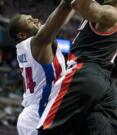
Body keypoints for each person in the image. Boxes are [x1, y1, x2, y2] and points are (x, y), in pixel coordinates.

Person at [38, 0, 117, 135]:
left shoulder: (111, 12)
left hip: (84, 74)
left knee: (50, 130)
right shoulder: (116, 17)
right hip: (106, 86)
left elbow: (81, 5)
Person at [8, 1, 74, 135]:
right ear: (22, 35)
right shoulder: (36, 43)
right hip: (37, 115)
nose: (36, 19)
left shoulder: (31, 45)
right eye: (30, 21)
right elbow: (61, 12)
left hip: (38, 112)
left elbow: (61, 19)